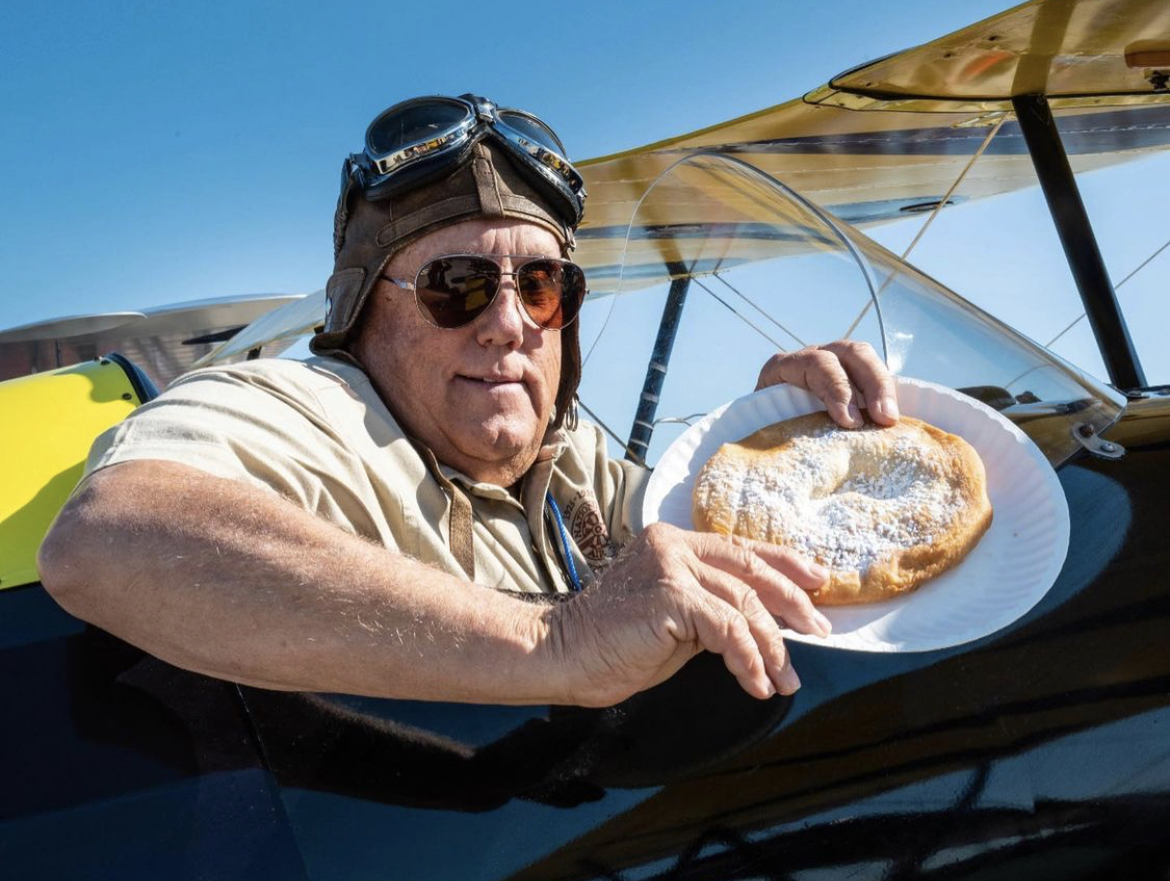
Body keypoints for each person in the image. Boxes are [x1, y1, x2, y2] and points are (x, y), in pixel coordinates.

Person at [37, 94, 900, 709]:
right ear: (363, 311)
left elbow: (715, 571)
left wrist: (771, 454)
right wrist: (556, 643)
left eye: (541, 286)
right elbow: (107, 538)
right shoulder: (314, 410)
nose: (508, 325)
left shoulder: (572, 469)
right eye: (458, 286)